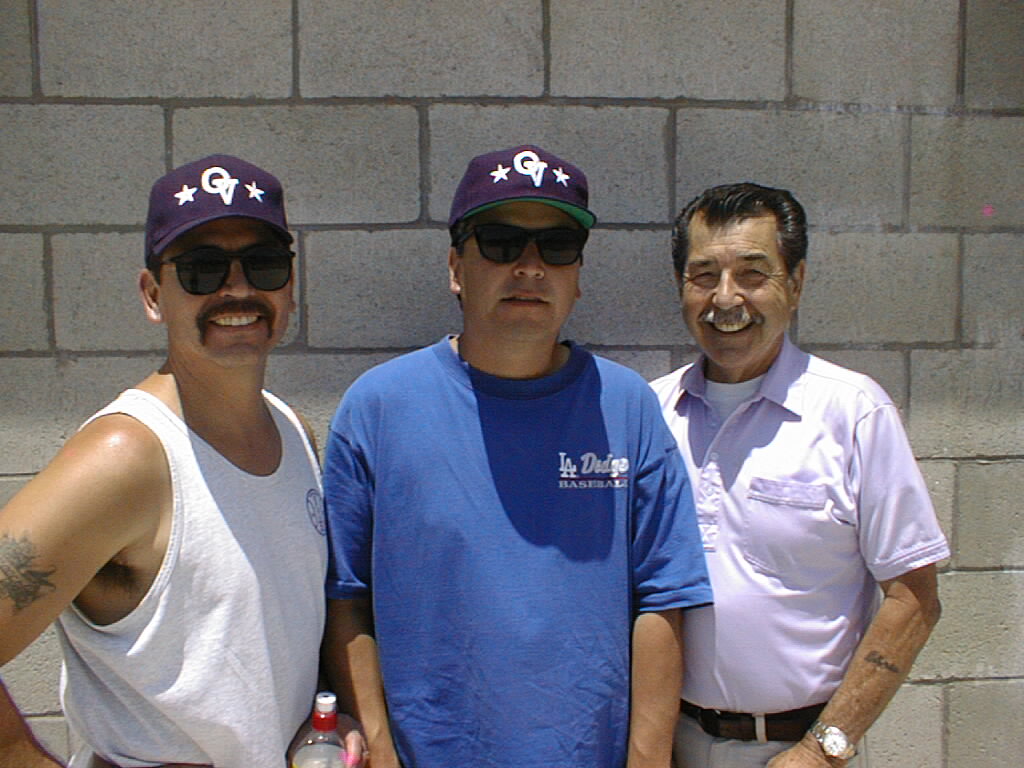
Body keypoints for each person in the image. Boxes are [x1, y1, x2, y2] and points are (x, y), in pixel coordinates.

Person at [320, 144, 712, 768]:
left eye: (557, 247)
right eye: (501, 243)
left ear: (578, 275)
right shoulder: (378, 408)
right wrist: (381, 749)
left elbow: (664, 597)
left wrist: (646, 759)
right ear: (456, 267)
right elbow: (346, 599)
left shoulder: (626, 408)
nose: (530, 267)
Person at [0, 155, 364, 768]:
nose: (238, 289)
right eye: (201, 269)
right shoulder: (127, 457)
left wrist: (327, 717)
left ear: (290, 288)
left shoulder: (290, 430)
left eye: (264, 264)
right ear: (153, 296)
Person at [650, 182, 949, 768]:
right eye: (704, 275)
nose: (726, 298)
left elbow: (915, 598)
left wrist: (821, 750)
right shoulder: (650, 413)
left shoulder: (852, 413)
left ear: (797, 282)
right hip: (671, 744)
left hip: (800, 749)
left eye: (752, 273)